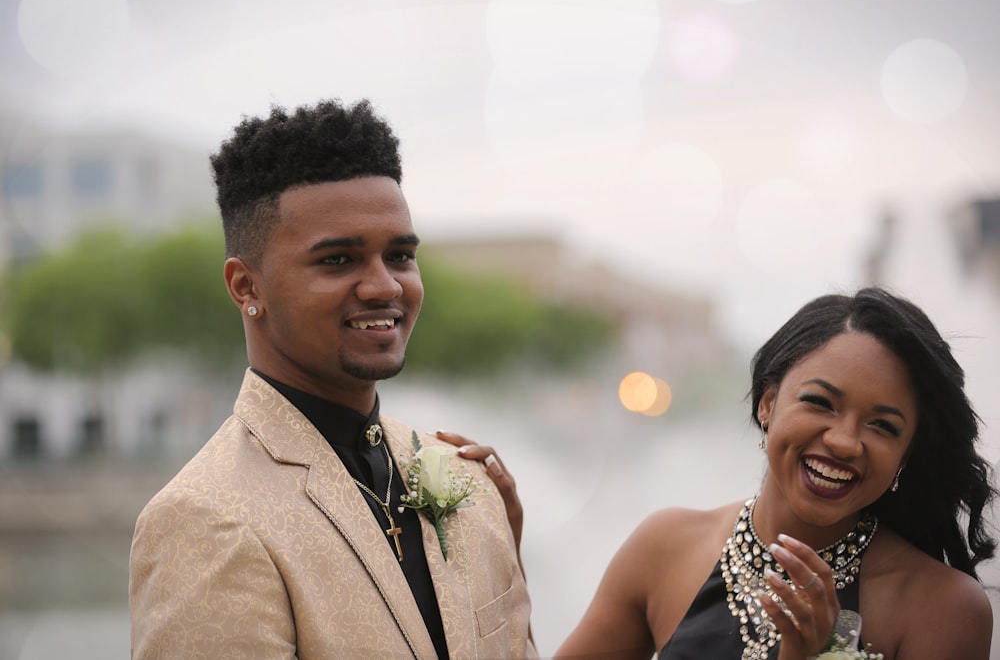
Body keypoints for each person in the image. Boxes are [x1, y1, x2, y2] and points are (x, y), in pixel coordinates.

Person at [128, 99, 534, 659]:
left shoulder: (466, 484)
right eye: (338, 260)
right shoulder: (206, 519)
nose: (384, 286)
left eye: (399, 255)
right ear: (247, 287)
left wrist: (504, 538)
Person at [556, 287, 996, 659]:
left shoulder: (943, 608)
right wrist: (498, 546)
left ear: (907, 453)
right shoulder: (665, 548)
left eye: (882, 425)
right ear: (768, 404)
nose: (844, 441)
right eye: (821, 402)